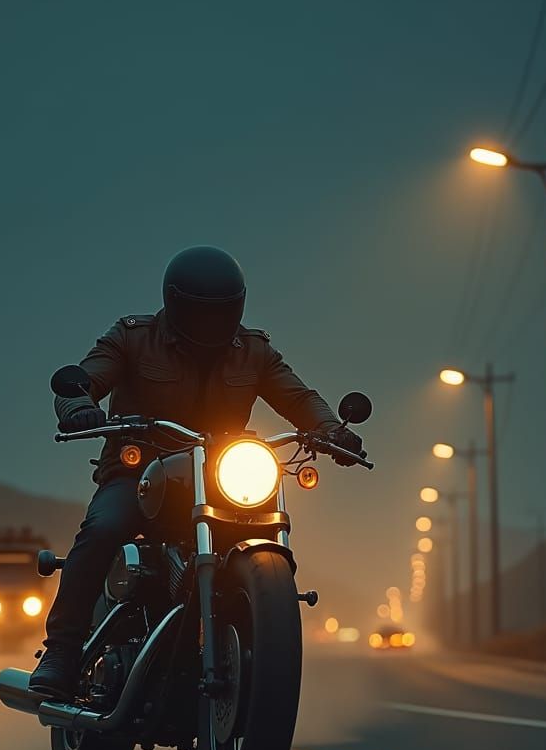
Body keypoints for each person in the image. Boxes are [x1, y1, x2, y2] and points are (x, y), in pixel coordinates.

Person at [30, 246, 363, 701]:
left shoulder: (254, 351)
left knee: (264, 523)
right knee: (102, 528)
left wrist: (332, 430)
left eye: (221, 311)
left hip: (221, 477)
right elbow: (83, 380)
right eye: (201, 311)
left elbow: (298, 396)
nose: (211, 322)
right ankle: (62, 652)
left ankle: (258, 630)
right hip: (141, 475)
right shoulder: (133, 338)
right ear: (174, 302)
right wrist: (78, 407)